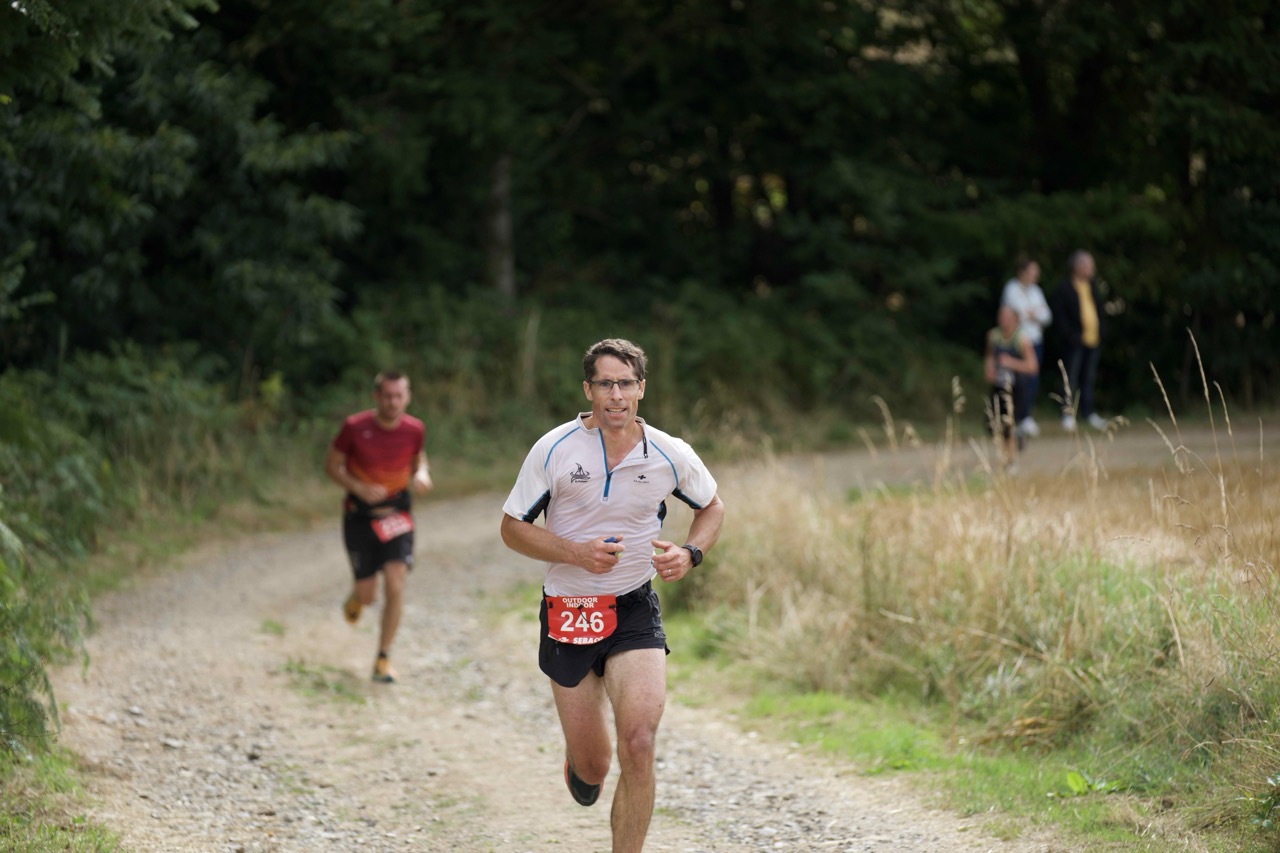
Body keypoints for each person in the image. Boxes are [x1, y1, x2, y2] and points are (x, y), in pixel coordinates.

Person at [499, 338, 724, 853]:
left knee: (638, 744)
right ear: (588, 390)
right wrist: (576, 553)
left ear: (641, 388)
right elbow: (511, 529)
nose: (616, 395)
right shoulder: (554, 448)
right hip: (568, 609)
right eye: (605, 384)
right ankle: (579, 763)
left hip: (633, 606)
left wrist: (690, 553)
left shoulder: (668, 452)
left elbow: (712, 507)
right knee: (594, 767)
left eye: (625, 383)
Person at [324, 370, 433, 683]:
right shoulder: (354, 427)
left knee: (396, 584)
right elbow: (331, 466)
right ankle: (358, 596)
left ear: (407, 397)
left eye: (399, 395)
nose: (393, 402)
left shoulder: (414, 429)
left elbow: (419, 459)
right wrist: (358, 487)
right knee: (368, 595)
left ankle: (383, 658)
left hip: (397, 515)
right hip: (360, 517)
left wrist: (422, 474)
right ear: (376, 396)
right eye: (387, 395)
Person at [1051, 250, 1107, 432]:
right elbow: (1060, 316)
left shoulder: (1091, 285)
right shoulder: (1065, 288)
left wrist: (1101, 331)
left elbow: (1098, 310)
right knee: (1070, 377)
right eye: (1089, 265)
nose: (1092, 269)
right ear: (1077, 266)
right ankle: (1067, 414)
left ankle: (1088, 412)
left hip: (1093, 339)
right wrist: (1070, 335)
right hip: (1074, 342)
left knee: (1088, 378)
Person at [1000, 257, 1052, 437]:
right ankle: (1012, 417)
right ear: (1023, 272)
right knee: (1017, 380)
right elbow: (1018, 315)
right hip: (1018, 341)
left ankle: (1025, 416)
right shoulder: (1011, 289)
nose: (1036, 276)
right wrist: (1034, 312)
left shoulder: (1036, 291)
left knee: (1032, 379)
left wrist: (1031, 313)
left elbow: (1046, 316)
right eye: (1033, 272)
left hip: (1035, 340)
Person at [984, 305, 1039, 470]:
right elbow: (989, 356)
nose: (1004, 320)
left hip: (1017, 388)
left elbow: (1032, 366)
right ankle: (1009, 453)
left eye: (1008, 317)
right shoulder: (993, 336)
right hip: (999, 386)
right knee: (994, 425)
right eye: (1001, 316)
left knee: (1009, 425)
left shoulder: (1022, 339)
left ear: (1015, 320)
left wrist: (1011, 363)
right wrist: (989, 370)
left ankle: (1011, 461)